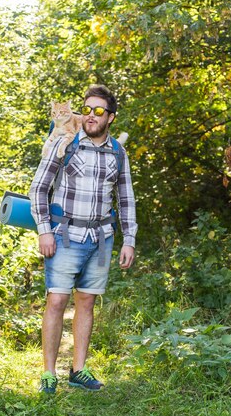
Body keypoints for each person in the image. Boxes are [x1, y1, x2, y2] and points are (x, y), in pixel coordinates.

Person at [29, 84, 137, 393]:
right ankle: (48, 373)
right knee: (57, 300)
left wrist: (129, 239)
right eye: (87, 109)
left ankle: (78, 370)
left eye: (98, 111)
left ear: (110, 117)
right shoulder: (65, 145)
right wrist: (44, 230)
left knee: (86, 302)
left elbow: (126, 198)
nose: (90, 115)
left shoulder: (118, 152)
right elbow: (39, 188)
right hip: (64, 235)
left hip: (101, 238)